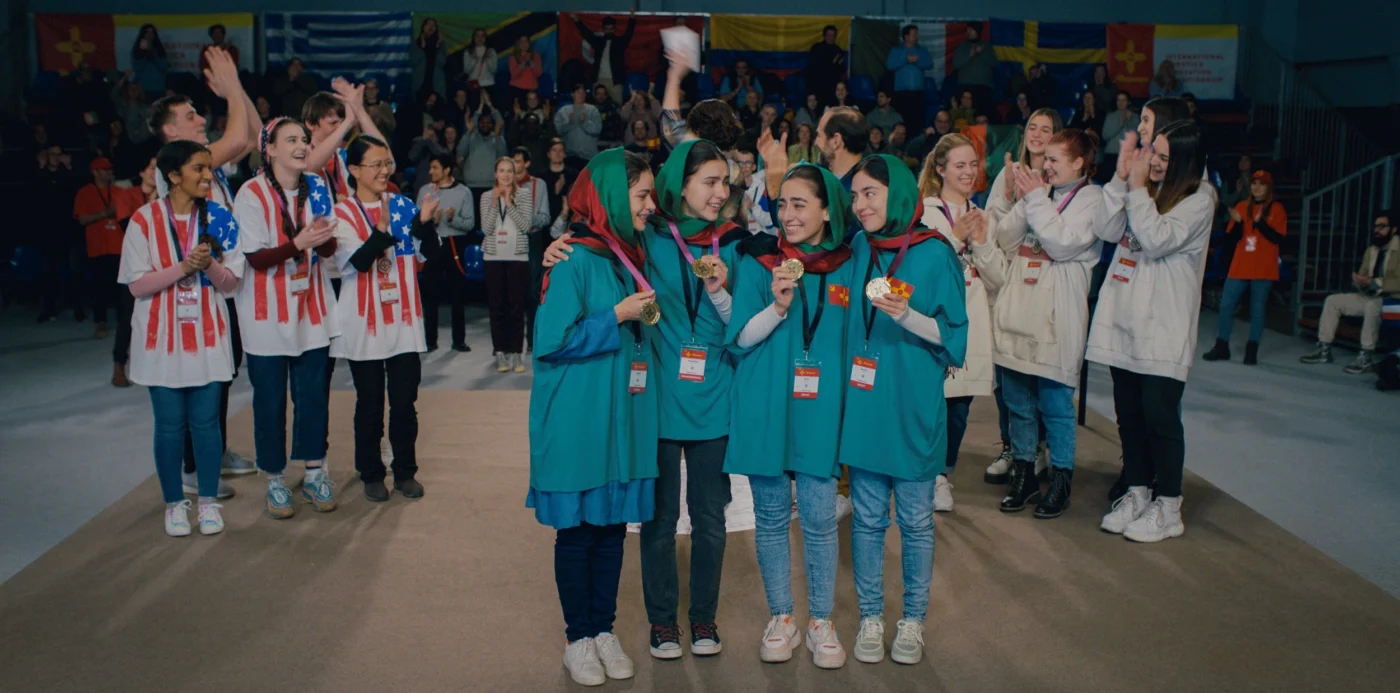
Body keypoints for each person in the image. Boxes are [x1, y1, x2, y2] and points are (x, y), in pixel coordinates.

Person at [528, 148, 658, 687]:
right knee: (578, 533)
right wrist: (617, 315)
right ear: (610, 197)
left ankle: (604, 629)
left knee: (610, 529)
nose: (651, 205)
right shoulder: (575, 259)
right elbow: (550, 343)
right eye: (641, 195)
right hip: (577, 416)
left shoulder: (628, 252)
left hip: (621, 416)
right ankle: (577, 637)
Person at [725, 164, 853, 668]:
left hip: (820, 409)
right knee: (773, 517)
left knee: (821, 517)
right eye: (783, 204)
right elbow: (738, 340)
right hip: (767, 406)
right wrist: (777, 308)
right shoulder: (759, 261)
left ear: (826, 209)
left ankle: (821, 619)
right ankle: (781, 616)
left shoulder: (849, 261)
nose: (789, 214)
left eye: (801, 204)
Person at [842, 155, 968, 666]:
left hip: (913, 404)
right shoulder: (858, 246)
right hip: (867, 404)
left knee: (916, 521)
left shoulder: (935, 253)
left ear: (896, 194)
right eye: (855, 195)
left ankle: (913, 620)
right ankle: (872, 615)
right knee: (868, 519)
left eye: (870, 193)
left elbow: (954, 336)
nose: (860, 204)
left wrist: (908, 315)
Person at [1091, 120, 1213, 543]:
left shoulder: (1200, 198)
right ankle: (1138, 493)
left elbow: (1158, 238)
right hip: (1124, 321)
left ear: (1185, 161)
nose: (1155, 162)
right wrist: (1121, 178)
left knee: (1161, 417)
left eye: (1164, 156)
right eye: (1153, 152)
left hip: (1163, 327)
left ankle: (1169, 505)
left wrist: (1139, 188)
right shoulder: (1143, 186)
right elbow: (1107, 231)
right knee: (1130, 416)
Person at [147, 47, 261, 484]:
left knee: (224, 370)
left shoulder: (201, 160)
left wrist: (239, 91)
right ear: (170, 129)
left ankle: (213, 445)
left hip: (222, 280)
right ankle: (194, 467)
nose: (199, 118)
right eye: (191, 114)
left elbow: (250, 137)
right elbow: (234, 140)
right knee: (201, 374)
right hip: (193, 287)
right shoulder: (173, 166)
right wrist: (230, 88)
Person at [120, 140, 243, 536]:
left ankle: (207, 503)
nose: (209, 176)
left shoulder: (221, 217)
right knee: (170, 425)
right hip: (160, 340)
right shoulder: (143, 220)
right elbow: (137, 287)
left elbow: (232, 284)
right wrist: (182, 267)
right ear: (174, 175)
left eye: (209, 168)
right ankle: (175, 504)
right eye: (199, 169)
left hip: (208, 336)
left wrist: (208, 267)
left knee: (207, 424)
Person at [992, 128, 1103, 519]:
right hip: (1020, 310)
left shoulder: (1093, 200)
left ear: (1079, 163)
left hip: (1056, 319)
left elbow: (1061, 243)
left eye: (1056, 159)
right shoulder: (1044, 195)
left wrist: (1036, 200)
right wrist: (1028, 201)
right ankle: (1023, 474)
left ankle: (1060, 480)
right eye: (1046, 158)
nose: (1047, 165)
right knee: (1018, 401)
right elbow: (1004, 239)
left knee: (1055, 405)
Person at [232, 118, 340, 519]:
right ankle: (275, 479)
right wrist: (298, 242)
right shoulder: (251, 193)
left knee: (313, 396)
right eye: (291, 140)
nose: (301, 146)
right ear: (270, 149)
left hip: (311, 310)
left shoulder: (317, 186)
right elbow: (256, 258)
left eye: (304, 140)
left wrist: (324, 237)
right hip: (265, 316)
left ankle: (315, 473)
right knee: (271, 400)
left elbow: (327, 250)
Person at [331, 135, 439, 502]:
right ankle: (371, 472)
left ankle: (405, 471)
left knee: (405, 402)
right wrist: (378, 233)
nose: (383, 170)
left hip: (405, 320)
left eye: (386, 163)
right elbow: (357, 262)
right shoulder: (342, 213)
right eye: (375, 164)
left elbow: (430, 252)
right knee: (370, 403)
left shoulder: (403, 204)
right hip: (363, 323)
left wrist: (424, 224)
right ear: (355, 170)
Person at [980, 108, 1063, 484]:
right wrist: (1011, 198)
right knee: (1006, 372)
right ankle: (1012, 447)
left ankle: (1040, 449)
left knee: (1037, 370)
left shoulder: (1058, 177)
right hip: (1005, 278)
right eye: (1033, 127)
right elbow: (992, 227)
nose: (1038, 134)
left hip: (1040, 283)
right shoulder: (1007, 173)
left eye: (1047, 129)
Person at [918, 135, 1000, 513]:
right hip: (934, 319)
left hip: (972, 317)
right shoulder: (925, 212)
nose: (968, 173)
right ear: (940, 169)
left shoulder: (984, 215)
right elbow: (924, 268)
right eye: (959, 166)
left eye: (973, 165)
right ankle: (928, 473)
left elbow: (997, 277)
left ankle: (943, 475)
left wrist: (980, 242)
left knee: (960, 405)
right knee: (932, 398)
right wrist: (955, 236)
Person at [1299, 210, 1399, 373]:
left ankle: (1366, 355)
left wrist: (1375, 282)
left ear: (1394, 229)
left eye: (1382, 226)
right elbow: (1364, 275)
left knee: (1372, 306)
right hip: (1370, 295)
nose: (1377, 230)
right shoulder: (1372, 250)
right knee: (1333, 301)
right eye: (1375, 226)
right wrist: (1359, 281)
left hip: (1393, 301)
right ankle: (1324, 349)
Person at [1205, 170, 1287, 364]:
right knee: (1226, 305)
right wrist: (1239, 223)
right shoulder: (1242, 206)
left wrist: (1260, 224)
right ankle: (1221, 345)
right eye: (1254, 183)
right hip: (1241, 264)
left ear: (1268, 187)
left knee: (1257, 309)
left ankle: (1252, 350)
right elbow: (1231, 238)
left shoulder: (1276, 208)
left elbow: (1278, 238)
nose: (1257, 187)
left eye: (1262, 184)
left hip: (1263, 266)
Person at [417, 153, 475, 352]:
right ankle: (429, 340)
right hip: (432, 244)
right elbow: (417, 224)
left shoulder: (464, 192)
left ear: (447, 170)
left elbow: (469, 224)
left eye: (435, 167)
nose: (430, 171)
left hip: (454, 245)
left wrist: (452, 219)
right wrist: (430, 220)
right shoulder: (425, 191)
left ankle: (459, 340)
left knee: (457, 295)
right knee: (430, 295)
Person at [481, 157, 535, 372]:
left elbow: (525, 225)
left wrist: (509, 203)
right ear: (495, 174)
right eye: (501, 171)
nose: (505, 175)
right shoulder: (486, 196)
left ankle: (516, 353)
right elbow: (486, 229)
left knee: (516, 308)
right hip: (493, 257)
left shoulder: (523, 195)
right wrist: (495, 203)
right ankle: (500, 352)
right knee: (497, 308)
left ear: (515, 174)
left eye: (509, 171)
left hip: (517, 256)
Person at [510, 148, 554, 352]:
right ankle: (511, 341)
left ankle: (533, 340)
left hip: (532, 239)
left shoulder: (539, 185)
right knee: (511, 292)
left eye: (517, 161)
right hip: (508, 241)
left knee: (532, 293)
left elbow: (545, 217)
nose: (513, 165)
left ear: (527, 163)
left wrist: (524, 220)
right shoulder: (503, 185)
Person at [573, 13, 637, 104]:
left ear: (615, 29)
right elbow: (586, 34)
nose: (609, 31)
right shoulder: (598, 42)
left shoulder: (620, 42)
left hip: (615, 81)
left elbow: (629, 33)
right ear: (603, 29)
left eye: (611, 29)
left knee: (617, 105)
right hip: (598, 79)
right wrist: (576, 19)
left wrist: (632, 18)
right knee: (596, 106)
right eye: (607, 29)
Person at [885, 25, 932, 131]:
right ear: (906, 36)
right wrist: (905, 60)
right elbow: (890, 65)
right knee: (901, 121)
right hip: (901, 94)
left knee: (917, 122)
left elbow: (929, 64)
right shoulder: (896, 50)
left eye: (916, 34)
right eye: (914, 34)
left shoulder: (922, 50)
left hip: (918, 93)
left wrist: (917, 61)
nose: (916, 36)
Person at [461, 108, 510, 203]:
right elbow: (460, 151)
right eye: (482, 122)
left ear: (492, 125)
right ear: (478, 124)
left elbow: (503, 156)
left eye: (488, 122)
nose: (485, 125)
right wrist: (468, 132)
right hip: (471, 186)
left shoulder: (497, 139)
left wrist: (497, 136)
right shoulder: (471, 137)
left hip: (491, 186)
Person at [555, 85, 604, 168]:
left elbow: (597, 130)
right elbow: (559, 131)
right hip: (570, 157)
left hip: (589, 158)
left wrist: (584, 123)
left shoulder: (592, 110)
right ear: (572, 94)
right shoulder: (563, 111)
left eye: (583, 93)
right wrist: (570, 123)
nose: (581, 95)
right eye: (578, 92)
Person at [952, 23, 997, 114]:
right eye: (967, 30)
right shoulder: (962, 47)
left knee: (982, 113)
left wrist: (981, 53)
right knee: (964, 114)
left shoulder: (987, 46)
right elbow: (955, 64)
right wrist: (970, 55)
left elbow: (993, 64)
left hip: (982, 87)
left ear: (977, 31)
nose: (968, 32)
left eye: (971, 30)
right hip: (965, 86)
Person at [1098, 91, 1138, 184]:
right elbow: (1105, 135)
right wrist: (1121, 123)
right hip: (1111, 154)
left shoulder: (1135, 117)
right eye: (1118, 100)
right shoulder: (1110, 116)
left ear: (1128, 102)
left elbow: (1137, 137)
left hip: (1128, 155)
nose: (1120, 103)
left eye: (1123, 100)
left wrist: (1129, 122)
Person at [806, 24, 846, 107]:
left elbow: (841, 70)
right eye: (829, 35)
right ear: (824, 36)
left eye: (833, 35)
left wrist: (836, 64)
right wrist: (832, 64)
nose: (831, 38)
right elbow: (814, 67)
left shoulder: (838, 50)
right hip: (817, 83)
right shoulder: (817, 48)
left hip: (833, 84)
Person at [130, 24, 169, 101]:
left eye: (152, 32)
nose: (149, 35)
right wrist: (144, 54)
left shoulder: (159, 48)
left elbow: (164, 67)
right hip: (143, 88)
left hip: (159, 88)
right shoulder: (137, 49)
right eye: (147, 32)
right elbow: (137, 67)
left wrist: (154, 56)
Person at [413, 18, 448, 100]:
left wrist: (438, 46)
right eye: (428, 24)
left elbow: (442, 62)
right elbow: (413, 61)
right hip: (420, 83)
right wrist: (422, 48)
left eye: (433, 25)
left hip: (436, 84)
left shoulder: (440, 44)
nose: (431, 27)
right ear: (423, 27)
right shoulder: (416, 43)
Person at [461, 29, 500, 101]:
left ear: (485, 38)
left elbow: (493, 70)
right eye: (477, 36)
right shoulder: (468, 52)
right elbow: (466, 71)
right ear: (474, 38)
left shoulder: (491, 51)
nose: (480, 38)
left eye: (482, 36)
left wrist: (487, 59)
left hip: (488, 85)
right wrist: (474, 59)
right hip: (473, 85)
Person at [509, 36, 546, 106]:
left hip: (532, 90)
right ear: (518, 44)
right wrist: (524, 62)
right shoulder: (513, 57)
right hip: (517, 89)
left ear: (529, 43)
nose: (524, 44)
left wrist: (531, 63)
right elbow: (513, 75)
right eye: (521, 42)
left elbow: (539, 73)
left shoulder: (536, 56)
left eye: (526, 41)